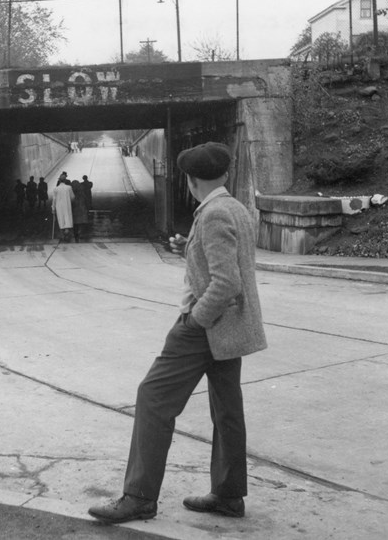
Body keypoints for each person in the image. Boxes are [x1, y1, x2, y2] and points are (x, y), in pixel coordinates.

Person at [88, 141, 267, 525]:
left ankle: (138, 497)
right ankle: (228, 495)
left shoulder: (213, 214)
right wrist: (191, 248)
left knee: (152, 397)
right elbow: (226, 261)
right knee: (226, 409)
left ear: (191, 180)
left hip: (205, 327)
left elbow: (226, 282)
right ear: (222, 175)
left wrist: (194, 321)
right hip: (231, 330)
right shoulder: (234, 207)